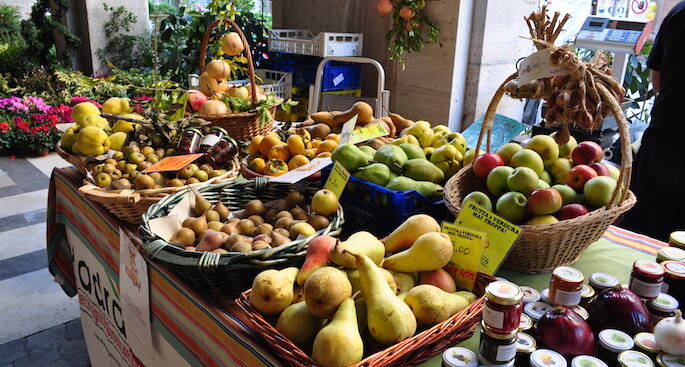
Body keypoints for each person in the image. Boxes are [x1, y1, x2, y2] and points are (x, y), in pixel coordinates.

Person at [622, 1, 685, 241]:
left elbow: (656, 82)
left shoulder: (679, 12)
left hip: (664, 142)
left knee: (644, 236)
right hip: (666, 143)